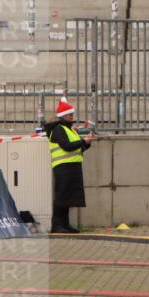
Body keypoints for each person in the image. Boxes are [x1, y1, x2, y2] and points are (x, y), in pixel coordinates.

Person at [42, 97, 93, 233]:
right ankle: (57, 225)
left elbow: (77, 148)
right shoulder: (59, 129)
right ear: (63, 116)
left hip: (72, 166)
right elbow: (67, 146)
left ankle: (65, 224)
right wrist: (83, 141)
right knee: (62, 196)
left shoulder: (70, 130)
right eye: (70, 114)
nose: (72, 116)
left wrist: (86, 143)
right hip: (63, 167)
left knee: (68, 197)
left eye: (72, 114)